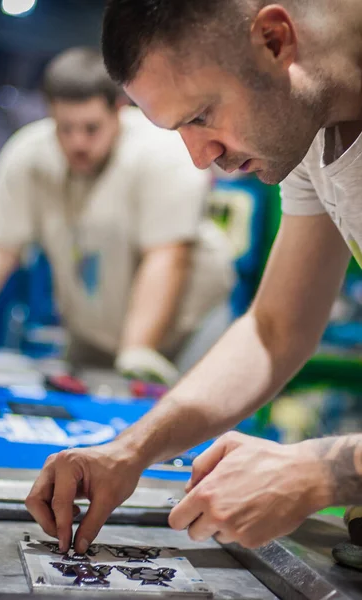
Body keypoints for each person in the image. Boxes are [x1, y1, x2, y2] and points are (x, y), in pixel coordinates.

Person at [26, 0, 362, 555]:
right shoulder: (309, 127)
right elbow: (275, 328)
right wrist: (130, 451)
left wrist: (319, 471)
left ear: (275, 40)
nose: (201, 158)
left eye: (202, 115)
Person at [0, 47, 231, 384]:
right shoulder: (27, 157)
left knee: (187, 429)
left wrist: (136, 351)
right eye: (65, 128)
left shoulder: (162, 152)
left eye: (91, 129)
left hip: (186, 336)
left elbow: (166, 257)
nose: (78, 143)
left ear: (119, 109)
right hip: (93, 339)